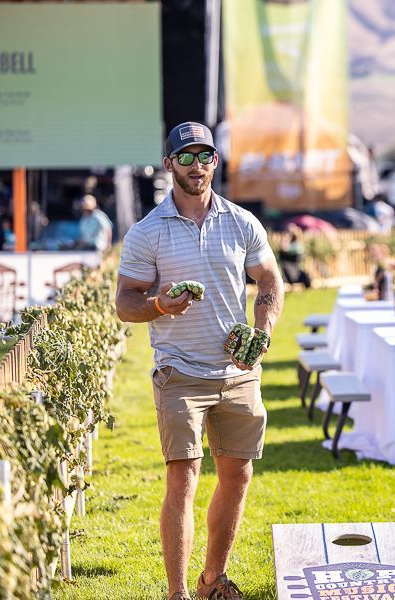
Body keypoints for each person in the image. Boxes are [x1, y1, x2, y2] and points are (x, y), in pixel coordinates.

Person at [115, 121, 284, 600]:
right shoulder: (148, 232)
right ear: (169, 164)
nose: (197, 165)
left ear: (216, 161)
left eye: (205, 156)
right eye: (185, 157)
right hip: (179, 371)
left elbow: (270, 283)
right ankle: (178, 593)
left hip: (237, 372)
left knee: (238, 474)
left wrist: (262, 332)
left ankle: (213, 578)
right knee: (183, 477)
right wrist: (159, 306)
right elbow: (125, 302)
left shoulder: (241, 222)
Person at [278, 223, 312, 289]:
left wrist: (287, 237)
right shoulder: (297, 244)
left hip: (291, 270)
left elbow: (283, 248)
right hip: (291, 268)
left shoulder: (297, 246)